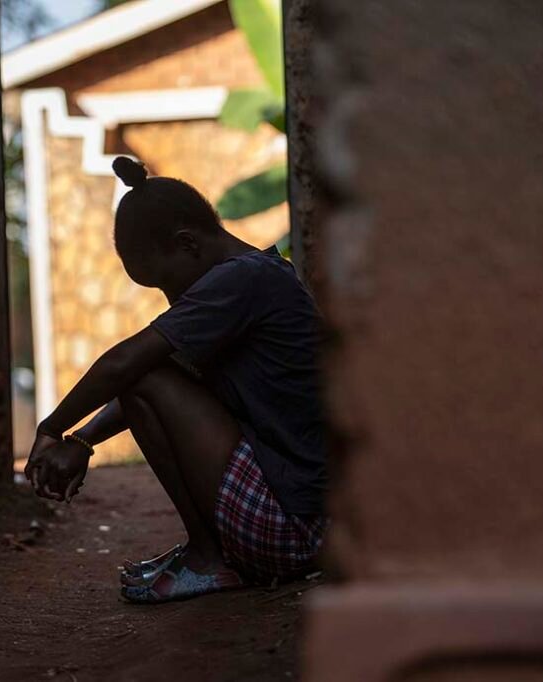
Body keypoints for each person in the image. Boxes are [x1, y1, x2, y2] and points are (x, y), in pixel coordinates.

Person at [24, 157, 329, 603]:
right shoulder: (252, 277)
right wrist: (84, 439)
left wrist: (51, 429)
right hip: (303, 522)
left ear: (187, 244)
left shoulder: (243, 280)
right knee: (149, 374)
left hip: (294, 531)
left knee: (141, 371)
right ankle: (205, 552)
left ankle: (210, 560)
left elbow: (127, 365)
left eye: (166, 284)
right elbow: (162, 386)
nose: (170, 302)